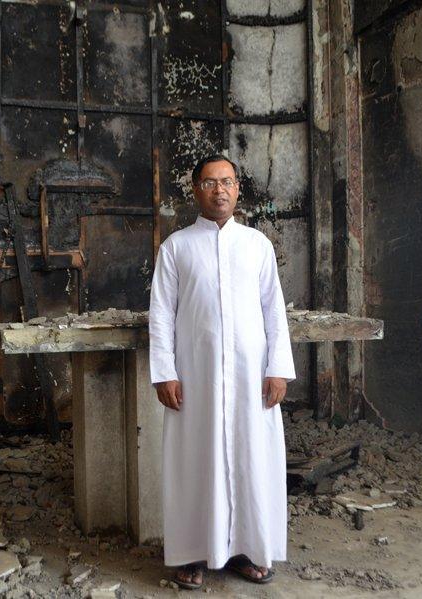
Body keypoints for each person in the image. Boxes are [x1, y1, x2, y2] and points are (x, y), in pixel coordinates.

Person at [148, 154, 295, 589]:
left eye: (227, 182)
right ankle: (191, 554)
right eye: (210, 182)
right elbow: (160, 315)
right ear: (196, 189)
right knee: (195, 461)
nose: (220, 190)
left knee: (252, 460)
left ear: (237, 189)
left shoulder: (257, 246)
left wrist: (278, 369)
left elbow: (274, 313)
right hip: (197, 377)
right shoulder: (176, 247)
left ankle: (247, 551)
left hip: (253, 379)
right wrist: (164, 372)